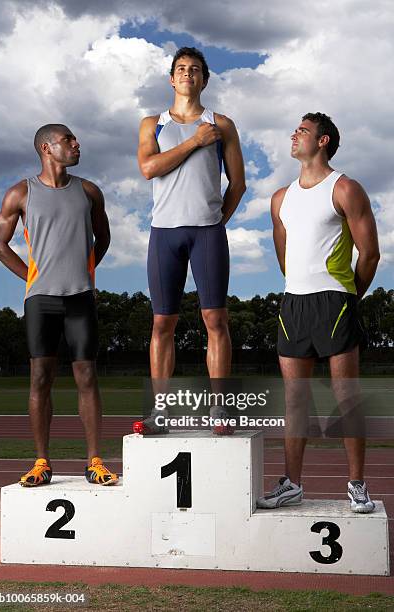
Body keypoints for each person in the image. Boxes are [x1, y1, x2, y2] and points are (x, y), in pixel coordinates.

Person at [257, 112, 380, 512]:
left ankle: (357, 484)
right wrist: (299, 287)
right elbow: (284, 255)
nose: (294, 135)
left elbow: (370, 252)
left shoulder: (344, 188)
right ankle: (291, 483)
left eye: (303, 131)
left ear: (323, 141)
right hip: (294, 303)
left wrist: (349, 296)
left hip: (335, 300)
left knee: (346, 398)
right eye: (295, 130)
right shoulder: (280, 198)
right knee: (295, 401)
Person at [0, 124, 118, 486]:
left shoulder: (89, 192)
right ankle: (41, 462)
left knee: (87, 377)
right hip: (40, 301)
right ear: (47, 148)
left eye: (76, 138)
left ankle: (95, 461)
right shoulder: (20, 193)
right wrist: (32, 277)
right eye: (68, 140)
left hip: (80, 297)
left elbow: (103, 236)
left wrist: (85, 270)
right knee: (40, 379)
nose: (76, 144)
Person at [136, 47, 246, 434]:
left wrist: (215, 221)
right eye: (181, 69)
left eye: (195, 69)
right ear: (171, 78)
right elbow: (149, 167)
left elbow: (239, 183)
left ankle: (219, 410)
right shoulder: (153, 123)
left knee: (215, 319)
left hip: (207, 233)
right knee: (162, 322)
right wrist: (195, 142)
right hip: (164, 232)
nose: (188, 74)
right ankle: (160, 410)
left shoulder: (222, 124)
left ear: (204, 79)